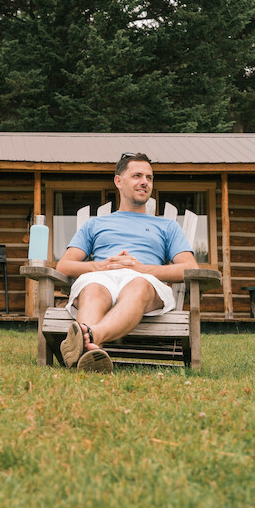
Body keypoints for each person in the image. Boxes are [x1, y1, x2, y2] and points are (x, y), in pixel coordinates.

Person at [55, 152, 199, 372]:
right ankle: (90, 355)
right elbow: (64, 266)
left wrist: (143, 269)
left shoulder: (166, 227)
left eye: (149, 178)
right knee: (93, 288)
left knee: (138, 285)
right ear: (118, 181)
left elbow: (190, 267)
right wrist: (100, 265)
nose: (144, 182)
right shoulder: (95, 224)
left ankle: (88, 337)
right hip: (101, 276)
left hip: (145, 280)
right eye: (137, 176)